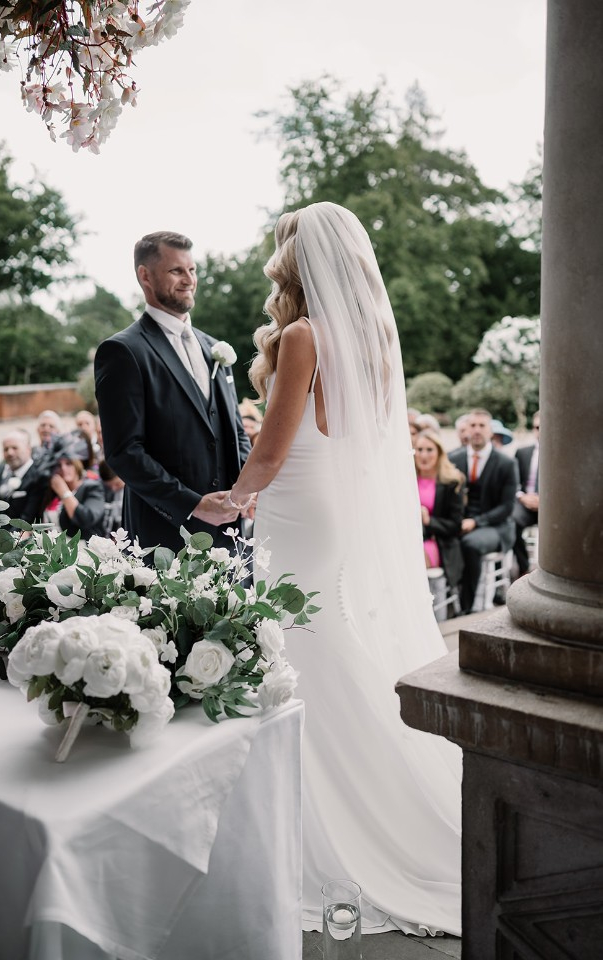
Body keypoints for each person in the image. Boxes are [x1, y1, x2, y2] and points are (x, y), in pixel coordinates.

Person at [221, 203, 461, 936]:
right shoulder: (372, 337)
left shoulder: (302, 335)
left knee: (306, 647)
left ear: (298, 257)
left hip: (295, 506)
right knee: (311, 641)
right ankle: (323, 801)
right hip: (322, 506)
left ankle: (345, 813)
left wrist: (229, 499)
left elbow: (273, 447)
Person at [94, 230, 251, 553]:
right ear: (145, 275)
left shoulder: (214, 348)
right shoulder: (123, 351)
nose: (189, 279)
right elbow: (124, 451)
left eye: (192, 270)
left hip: (229, 533)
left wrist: (245, 491)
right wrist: (193, 504)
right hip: (162, 534)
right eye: (176, 270)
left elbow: (236, 431)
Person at [448, 409, 519, 613]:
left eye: (482, 426)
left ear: (490, 431)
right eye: (473, 425)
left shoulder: (506, 463)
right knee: (443, 538)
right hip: (460, 521)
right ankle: (445, 602)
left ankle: (466, 607)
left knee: (469, 544)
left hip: (496, 526)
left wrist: (476, 522)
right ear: (466, 430)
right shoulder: (454, 458)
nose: (477, 430)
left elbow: (507, 508)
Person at [415, 429, 465, 592]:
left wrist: (429, 521)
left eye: (429, 450)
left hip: (437, 541)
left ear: (439, 453)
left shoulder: (451, 481)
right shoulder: (408, 479)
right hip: (410, 537)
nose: (423, 455)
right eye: (419, 449)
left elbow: (455, 525)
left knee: (414, 557)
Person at [0, 430, 44, 524]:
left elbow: (29, 517)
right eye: (6, 449)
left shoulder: (38, 476)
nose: (10, 453)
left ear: (28, 449)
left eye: (15, 448)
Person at [47, 453, 106, 541]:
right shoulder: (51, 492)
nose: (63, 468)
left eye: (69, 463)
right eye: (58, 465)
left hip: (82, 548)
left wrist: (65, 492)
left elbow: (86, 519)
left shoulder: (92, 487)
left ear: (77, 464)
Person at [513, 409, 540, 575]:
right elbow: (514, 482)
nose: (541, 431)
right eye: (537, 427)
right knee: (511, 522)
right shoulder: (523, 452)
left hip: (552, 508)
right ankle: (524, 568)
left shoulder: (563, 455)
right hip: (525, 503)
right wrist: (522, 497)